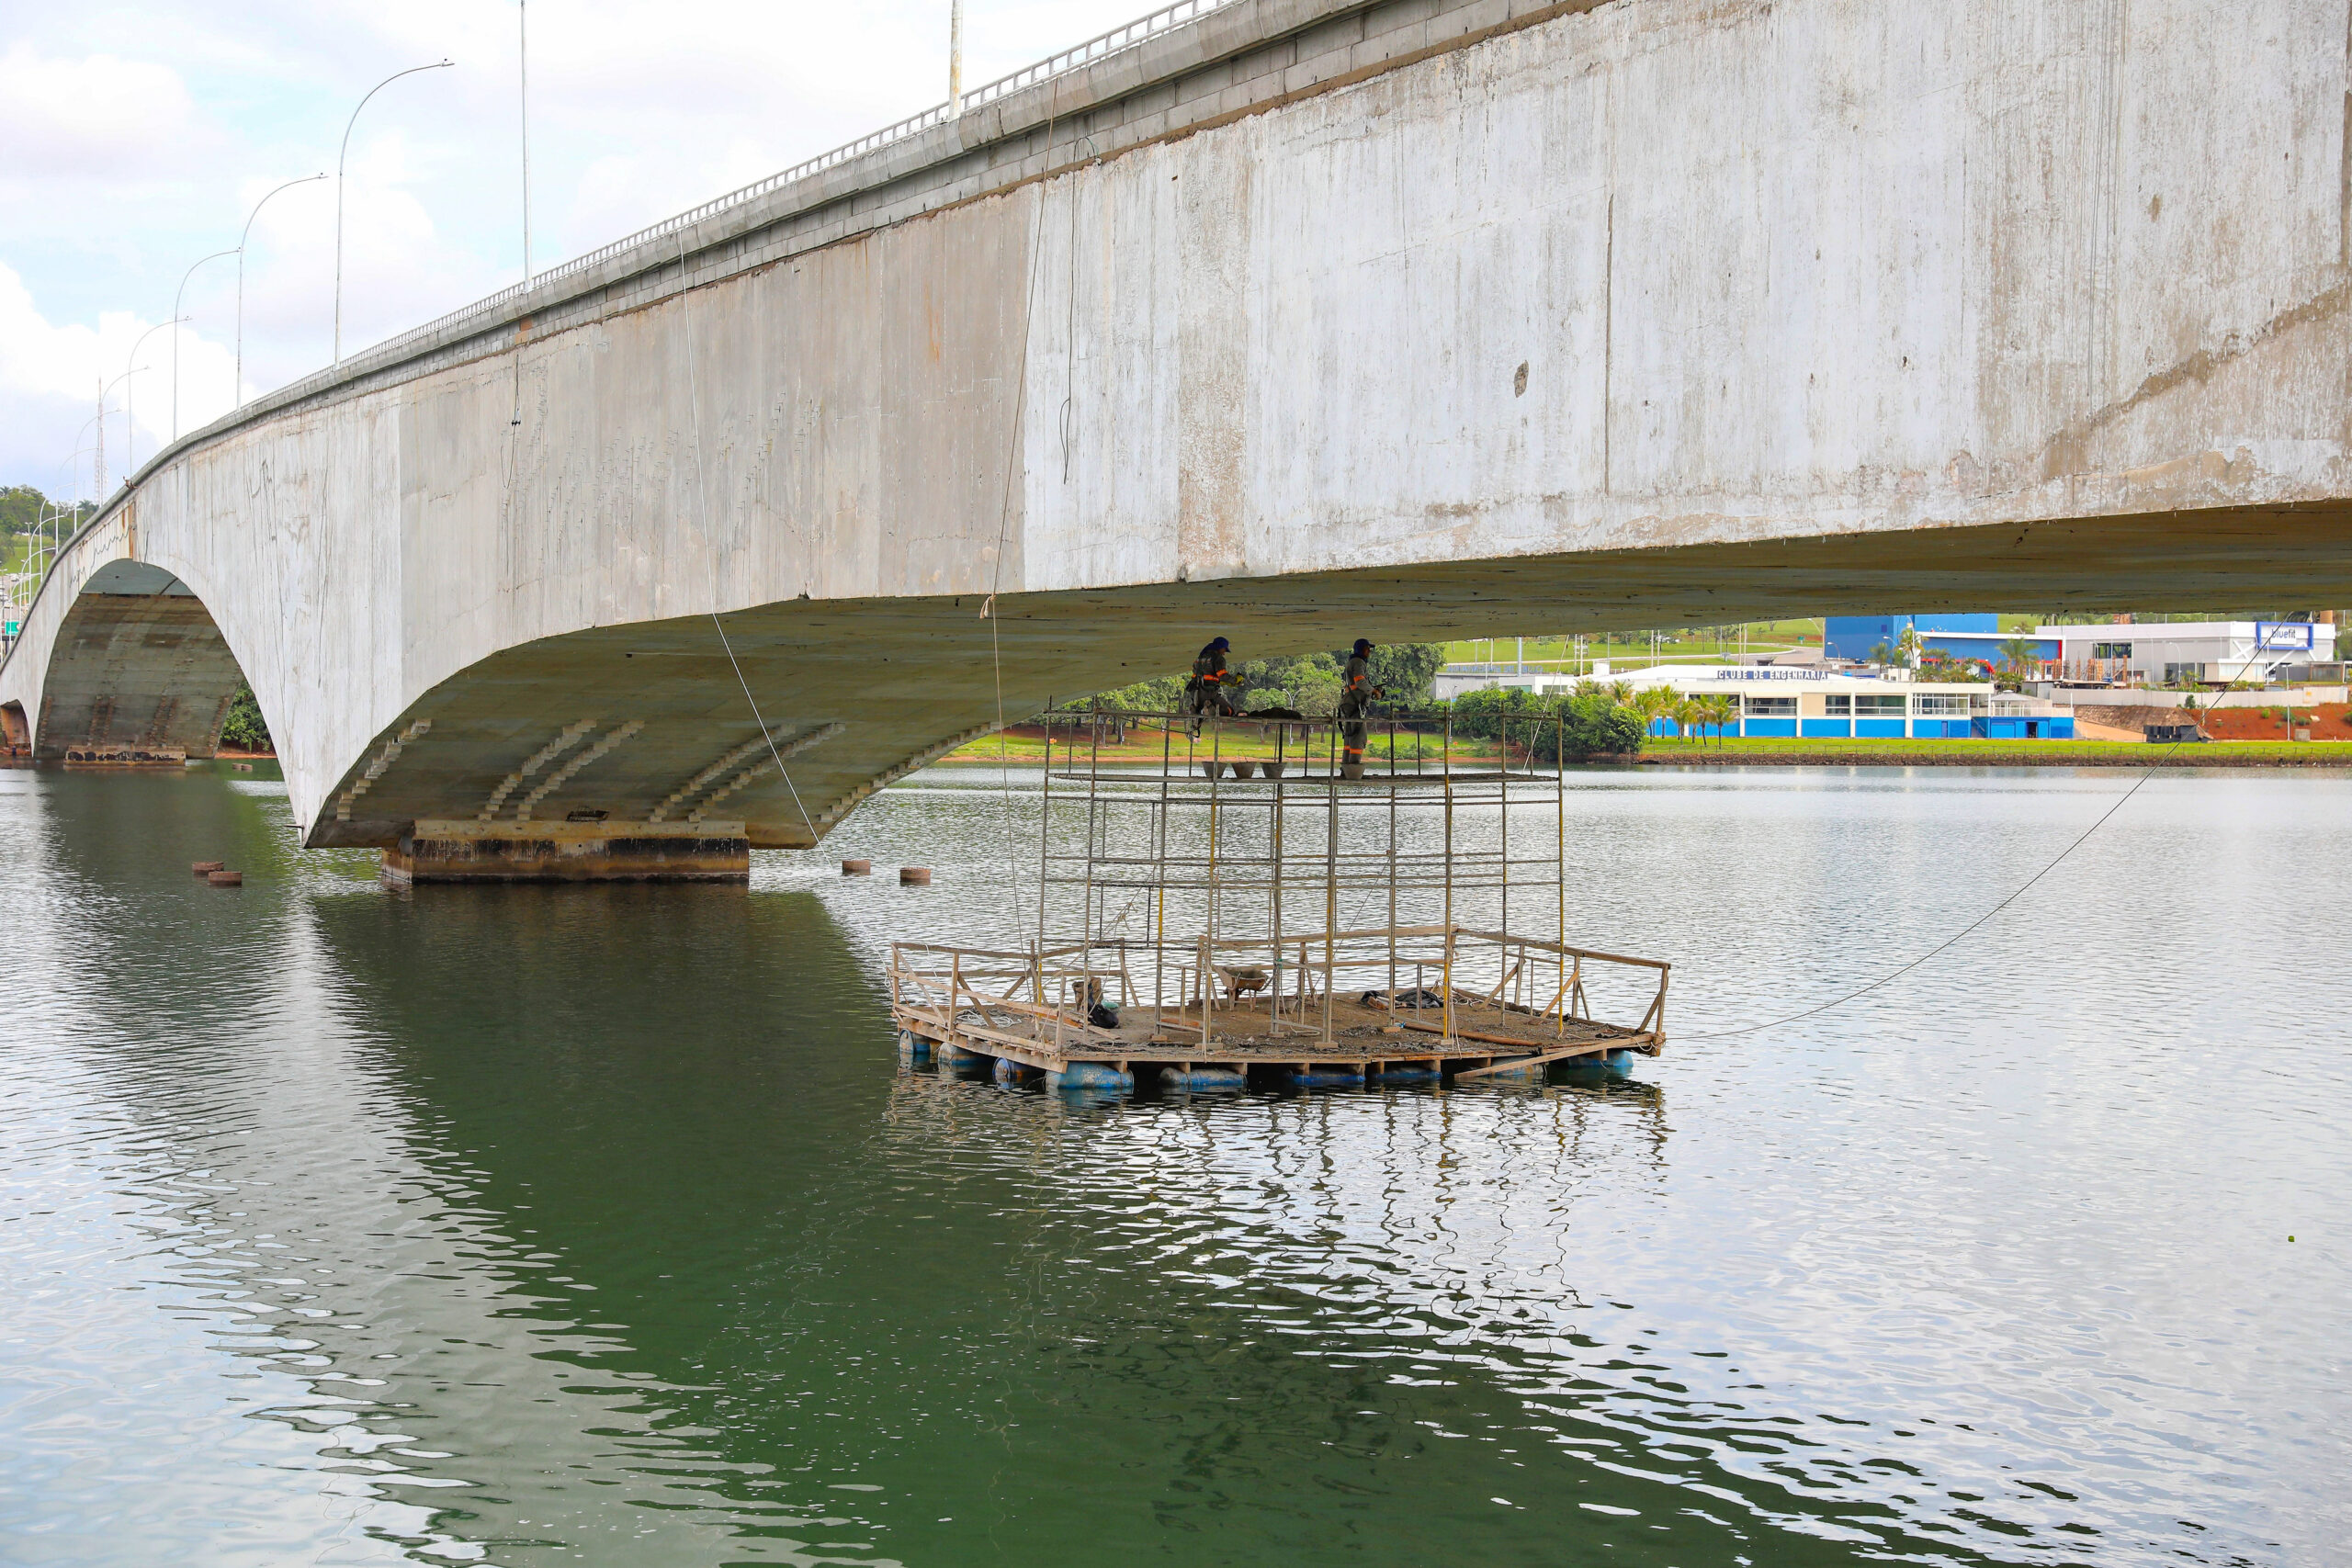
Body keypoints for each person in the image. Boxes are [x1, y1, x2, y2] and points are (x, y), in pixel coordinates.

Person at [1338, 638, 1385, 771]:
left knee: (1349, 737)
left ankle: (1345, 769)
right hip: (1355, 705)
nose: (1369, 651)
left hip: (1350, 704)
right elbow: (1360, 682)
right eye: (1367, 649)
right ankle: (1353, 770)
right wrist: (1374, 691)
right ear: (1361, 650)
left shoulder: (1352, 662)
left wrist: (1371, 690)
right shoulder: (1358, 662)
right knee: (1359, 738)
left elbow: (1356, 685)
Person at [1185, 636, 1241, 728]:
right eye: (1224, 650)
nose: (1224, 653)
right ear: (1220, 647)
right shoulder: (1218, 658)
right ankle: (1210, 707)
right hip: (1208, 693)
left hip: (1194, 692)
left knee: (1198, 716)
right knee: (1229, 711)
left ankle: (1196, 712)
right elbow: (1222, 675)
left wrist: (1221, 681)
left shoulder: (1200, 658)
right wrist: (1235, 680)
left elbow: (1205, 675)